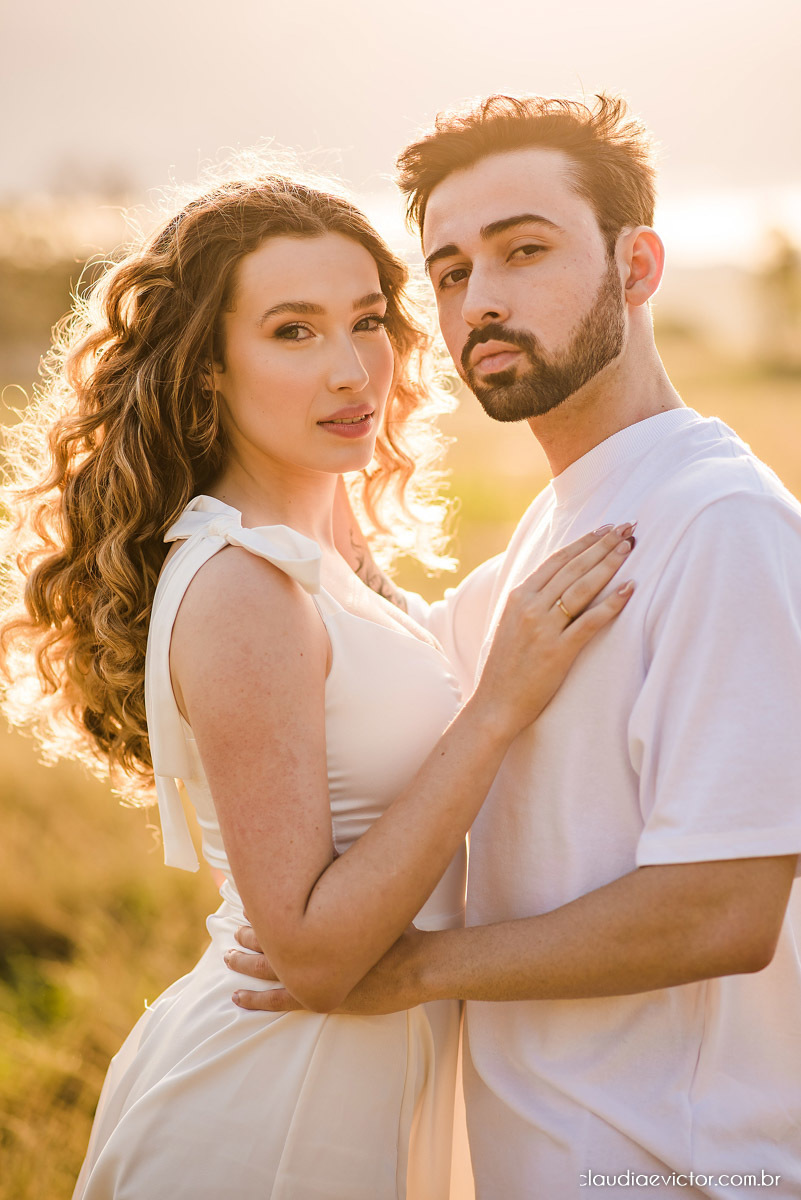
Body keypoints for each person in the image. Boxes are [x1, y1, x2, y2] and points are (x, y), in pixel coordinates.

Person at [0, 166, 636, 1199]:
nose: (352, 371)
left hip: (361, 1085)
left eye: (368, 322)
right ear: (208, 367)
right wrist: (497, 708)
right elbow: (311, 957)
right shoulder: (245, 584)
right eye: (293, 331)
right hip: (273, 1110)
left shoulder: (317, 546)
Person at [227, 97, 801, 1199]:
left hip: (675, 1170)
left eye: (523, 251)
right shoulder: (562, 524)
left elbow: (724, 908)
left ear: (637, 266)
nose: (479, 301)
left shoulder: (719, 523)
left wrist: (410, 971)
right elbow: (388, 655)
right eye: (448, 272)